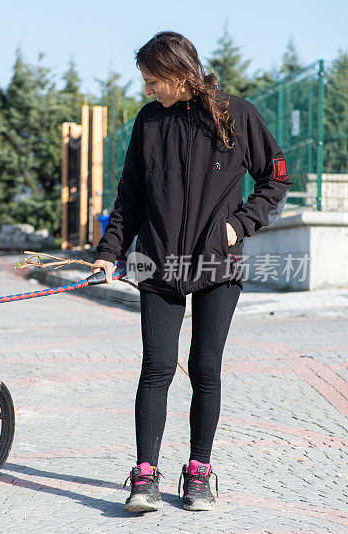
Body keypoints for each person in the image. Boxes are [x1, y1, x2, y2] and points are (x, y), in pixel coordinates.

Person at [92, 31, 291, 512]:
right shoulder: (148, 122)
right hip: (159, 264)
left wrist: (237, 226)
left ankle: (198, 472)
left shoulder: (237, 114)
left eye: (152, 80)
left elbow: (277, 177)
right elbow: (131, 197)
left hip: (217, 266)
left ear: (181, 74)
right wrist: (109, 251)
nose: (147, 89)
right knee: (156, 369)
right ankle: (145, 475)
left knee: (205, 368)